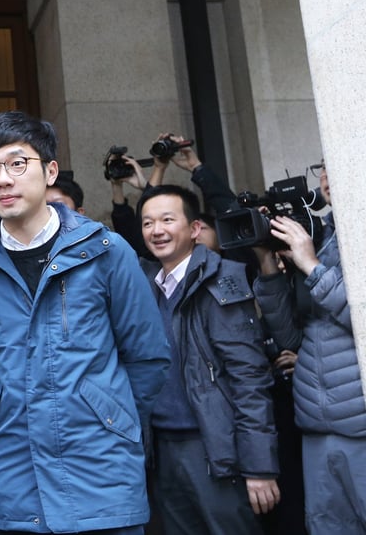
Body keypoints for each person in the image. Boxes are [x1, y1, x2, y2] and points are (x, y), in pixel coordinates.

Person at [0, 110, 170, 535]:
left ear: (50, 171)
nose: (3, 179)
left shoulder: (106, 252)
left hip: (100, 474)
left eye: (17, 164)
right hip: (12, 476)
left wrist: (108, 413)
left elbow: (148, 357)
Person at [138, 184, 279, 534]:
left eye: (167, 220)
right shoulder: (145, 286)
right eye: (148, 223)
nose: (156, 230)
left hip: (215, 447)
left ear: (195, 228)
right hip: (163, 448)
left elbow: (249, 377)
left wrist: (259, 466)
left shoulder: (221, 280)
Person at [252, 160, 366, 534]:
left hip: (359, 423)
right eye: (324, 167)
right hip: (316, 422)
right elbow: (290, 339)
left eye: (340, 163)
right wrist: (268, 262)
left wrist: (312, 266)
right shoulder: (322, 234)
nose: (328, 176)